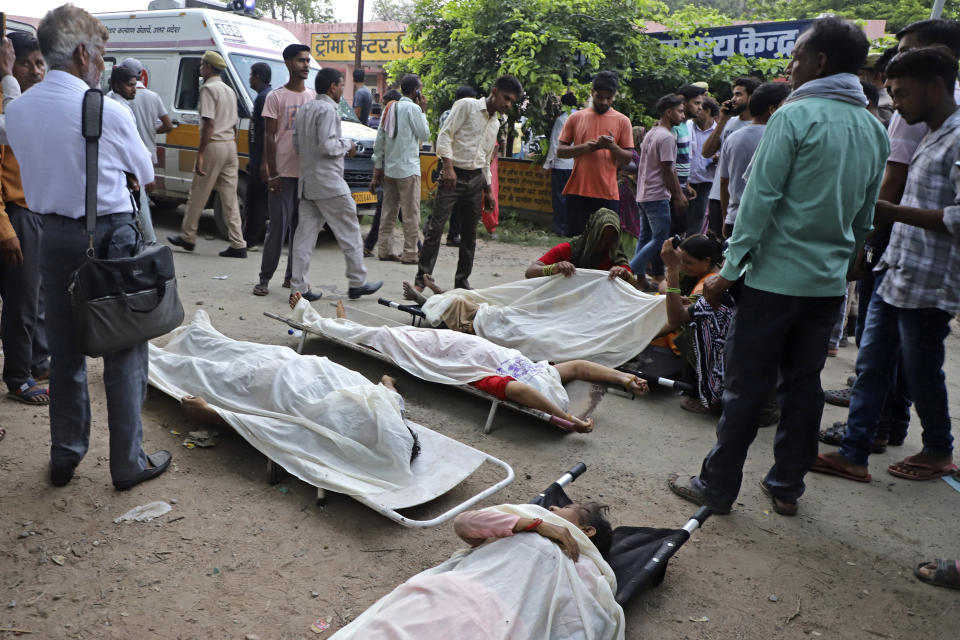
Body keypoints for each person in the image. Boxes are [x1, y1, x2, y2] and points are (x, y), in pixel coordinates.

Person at [666, 18, 889, 517]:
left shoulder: (794, 116)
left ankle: (717, 487)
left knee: (746, 386)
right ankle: (786, 486)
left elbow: (759, 202)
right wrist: (849, 259)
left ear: (821, 61)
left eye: (796, 55)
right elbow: (865, 213)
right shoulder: (874, 129)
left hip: (772, 281)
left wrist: (730, 269)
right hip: (827, 285)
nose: (791, 65)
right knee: (803, 386)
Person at [5, 3, 171, 490]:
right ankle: (127, 463)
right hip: (112, 237)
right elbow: (145, 174)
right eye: (101, 54)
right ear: (83, 54)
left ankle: (65, 456)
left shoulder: (17, 109)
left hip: (49, 236)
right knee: (124, 351)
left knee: (65, 349)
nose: (103, 62)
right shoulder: (106, 110)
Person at [811, 47, 959, 484]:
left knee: (920, 369)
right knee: (872, 365)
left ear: (936, 85)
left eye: (903, 93)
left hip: (931, 283)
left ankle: (938, 449)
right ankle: (855, 452)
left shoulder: (956, 136)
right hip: (898, 271)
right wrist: (874, 246)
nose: (897, 103)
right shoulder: (930, 132)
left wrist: (889, 211)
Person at [291, 294, 648, 433]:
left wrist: (566, 417)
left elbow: (545, 381)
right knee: (383, 334)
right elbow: (579, 368)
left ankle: (333, 322)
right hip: (461, 344)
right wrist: (623, 378)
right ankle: (339, 322)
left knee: (386, 337)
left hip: (448, 354)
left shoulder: (498, 382)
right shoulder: (541, 376)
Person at [329, 501, 622, 639]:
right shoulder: (522, 523)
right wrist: (535, 524)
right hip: (450, 593)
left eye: (567, 507)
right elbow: (465, 523)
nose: (555, 507)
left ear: (587, 531)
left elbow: (583, 624)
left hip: (503, 626)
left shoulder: (587, 570)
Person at [415, 75, 522, 291]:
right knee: (436, 229)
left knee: (469, 235)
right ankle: (421, 280)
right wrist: (448, 168)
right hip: (452, 175)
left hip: (476, 179)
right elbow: (445, 136)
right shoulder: (467, 106)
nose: (508, 104)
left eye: (512, 101)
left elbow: (485, 157)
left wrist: (489, 189)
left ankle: (462, 283)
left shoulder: (496, 122)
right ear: (494, 91)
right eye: (506, 98)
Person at [291, 68, 383, 302]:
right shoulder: (329, 110)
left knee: (305, 237)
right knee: (350, 229)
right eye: (341, 85)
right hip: (329, 182)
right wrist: (347, 145)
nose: (343, 90)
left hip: (308, 181)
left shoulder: (305, 109)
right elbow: (328, 146)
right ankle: (357, 282)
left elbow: (297, 146)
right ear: (333, 87)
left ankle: (298, 288)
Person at [0, 31, 50, 406]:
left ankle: (35, 361)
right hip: (14, 217)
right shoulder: (7, 107)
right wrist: (6, 230)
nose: (36, 71)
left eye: (40, 63)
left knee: (35, 299)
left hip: (35, 214)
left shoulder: (33, 104)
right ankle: (19, 377)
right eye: (26, 63)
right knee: (20, 303)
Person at [168, 50, 247, 258]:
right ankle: (238, 243)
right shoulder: (229, 90)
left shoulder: (208, 89)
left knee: (198, 193)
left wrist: (201, 153)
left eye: (203, 65)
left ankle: (188, 237)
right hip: (230, 145)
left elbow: (209, 123)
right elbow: (236, 122)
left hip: (214, 145)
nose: (201, 68)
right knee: (230, 197)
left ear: (210, 68)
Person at [251, 44, 315, 298]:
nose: (306, 65)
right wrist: (271, 171)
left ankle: (292, 277)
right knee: (277, 227)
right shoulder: (275, 97)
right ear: (288, 63)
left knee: (301, 230)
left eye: (308, 61)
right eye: (301, 61)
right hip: (282, 174)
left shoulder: (312, 97)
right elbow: (269, 137)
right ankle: (264, 278)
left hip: (306, 176)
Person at [556, 71, 634, 237]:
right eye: (600, 97)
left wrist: (611, 147)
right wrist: (586, 147)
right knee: (575, 244)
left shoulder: (623, 121)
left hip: (608, 193)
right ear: (592, 92)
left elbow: (628, 157)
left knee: (604, 246)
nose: (604, 102)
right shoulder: (576, 118)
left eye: (609, 97)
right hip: (577, 192)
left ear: (615, 96)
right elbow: (560, 151)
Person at [716, 82, 791, 237]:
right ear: (773, 109)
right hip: (767, 222)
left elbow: (724, 183)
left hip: (734, 218)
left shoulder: (732, 138)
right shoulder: (779, 137)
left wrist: (725, 218)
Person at [370, 73, 430, 264]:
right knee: (411, 213)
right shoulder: (413, 109)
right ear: (416, 91)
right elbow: (425, 134)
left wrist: (378, 166)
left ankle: (384, 250)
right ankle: (410, 252)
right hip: (408, 169)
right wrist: (423, 110)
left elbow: (379, 140)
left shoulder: (390, 107)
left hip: (390, 170)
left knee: (388, 213)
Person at [629, 94, 687, 287]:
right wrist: (678, 195)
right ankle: (629, 270)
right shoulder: (667, 137)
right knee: (659, 239)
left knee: (645, 237)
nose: (683, 116)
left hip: (643, 194)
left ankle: (639, 280)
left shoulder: (652, 133)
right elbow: (667, 170)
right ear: (668, 113)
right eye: (680, 111)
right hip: (657, 195)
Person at [118, 57, 173, 244]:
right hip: (147, 155)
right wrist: (151, 130)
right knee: (141, 200)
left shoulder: (113, 98)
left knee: (135, 201)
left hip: (128, 158)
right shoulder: (153, 96)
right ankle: (144, 238)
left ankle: (145, 238)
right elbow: (168, 125)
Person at [701, 76, 761, 236]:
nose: (733, 99)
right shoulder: (728, 122)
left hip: (743, 197)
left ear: (752, 97)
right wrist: (722, 121)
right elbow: (706, 152)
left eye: (739, 95)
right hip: (717, 195)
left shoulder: (759, 126)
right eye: (733, 94)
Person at [523, 208, 636, 285]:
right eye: (600, 236)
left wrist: (625, 275)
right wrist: (554, 268)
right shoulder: (568, 250)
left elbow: (634, 286)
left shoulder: (615, 256)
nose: (604, 243)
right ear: (591, 234)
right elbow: (531, 272)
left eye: (610, 238)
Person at [363, 88, 403, 256]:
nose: (384, 108)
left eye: (385, 104)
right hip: (393, 171)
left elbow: (380, 147)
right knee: (398, 211)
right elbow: (379, 147)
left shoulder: (396, 118)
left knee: (394, 210)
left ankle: (369, 245)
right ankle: (370, 245)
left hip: (396, 170)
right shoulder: (392, 119)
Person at [438, 85, 478, 247]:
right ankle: (449, 235)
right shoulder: (453, 115)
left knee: (449, 202)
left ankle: (448, 234)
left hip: (452, 162)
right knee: (451, 203)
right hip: (453, 163)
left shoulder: (447, 114)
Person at [242, 61, 272, 248]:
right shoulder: (265, 96)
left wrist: (261, 162)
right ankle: (252, 236)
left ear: (259, 77)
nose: (249, 79)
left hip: (261, 160)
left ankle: (251, 239)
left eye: (251, 74)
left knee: (255, 201)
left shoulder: (264, 98)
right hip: (258, 159)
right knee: (256, 200)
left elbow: (265, 133)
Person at [670, 84, 705, 234]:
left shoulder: (685, 126)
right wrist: (678, 193)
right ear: (684, 103)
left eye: (701, 104)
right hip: (671, 190)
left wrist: (687, 184)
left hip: (682, 186)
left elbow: (681, 159)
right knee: (670, 235)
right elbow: (669, 164)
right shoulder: (674, 127)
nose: (700, 108)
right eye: (696, 103)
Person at [541, 91, 578, 236]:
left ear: (562, 103)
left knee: (559, 198)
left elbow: (555, 144)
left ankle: (561, 229)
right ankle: (571, 228)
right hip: (575, 164)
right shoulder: (581, 118)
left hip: (562, 164)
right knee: (572, 199)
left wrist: (546, 165)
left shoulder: (562, 119)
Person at [686, 97, 718, 236]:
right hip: (686, 182)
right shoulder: (688, 127)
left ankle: (687, 253)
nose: (696, 110)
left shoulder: (718, 132)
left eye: (700, 107)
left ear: (708, 111)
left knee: (697, 222)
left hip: (705, 183)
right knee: (679, 222)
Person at [858, 47, 896, 125]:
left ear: (877, 74)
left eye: (860, 74)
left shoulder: (882, 106)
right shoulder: (891, 98)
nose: (857, 79)